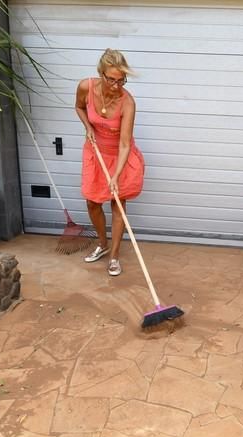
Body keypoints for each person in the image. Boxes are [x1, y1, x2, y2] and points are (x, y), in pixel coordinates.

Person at [75, 49, 145, 276]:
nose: (116, 85)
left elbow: (125, 144)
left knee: (118, 205)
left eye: (121, 80)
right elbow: (78, 107)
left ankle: (114, 256)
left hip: (119, 155)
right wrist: (88, 127)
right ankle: (102, 244)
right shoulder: (85, 87)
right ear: (101, 73)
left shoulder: (128, 103)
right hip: (95, 151)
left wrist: (115, 175)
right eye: (111, 79)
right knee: (92, 202)